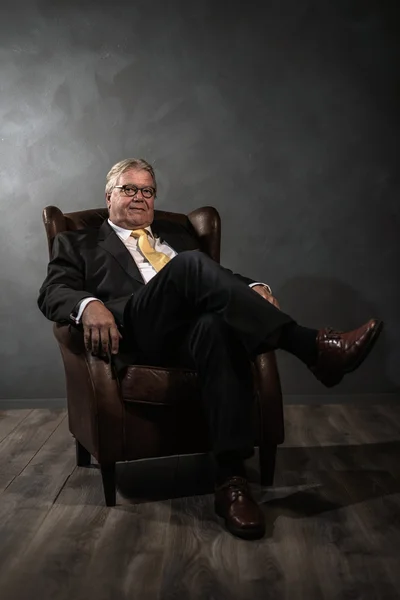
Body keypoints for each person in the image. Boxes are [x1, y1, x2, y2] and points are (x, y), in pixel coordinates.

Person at [38, 158, 383, 540]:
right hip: (134, 332)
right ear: (109, 196)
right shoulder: (77, 241)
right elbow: (53, 292)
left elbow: (218, 279)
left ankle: (231, 483)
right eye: (129, 189)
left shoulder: (177, 234)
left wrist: (253, 289)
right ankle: (311, 346)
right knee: (187, 267)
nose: (139, 197)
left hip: (192, 337)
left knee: (216, 326)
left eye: (147, 190)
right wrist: (89, 306)